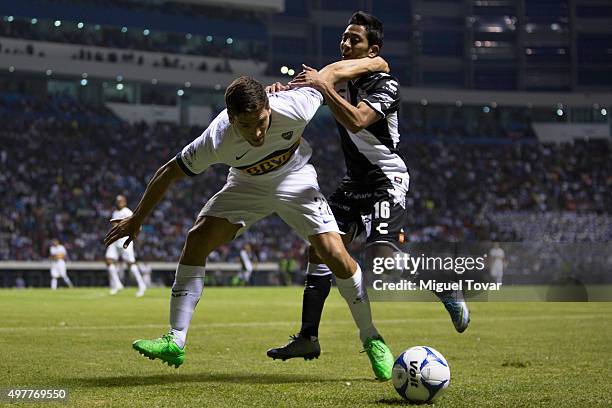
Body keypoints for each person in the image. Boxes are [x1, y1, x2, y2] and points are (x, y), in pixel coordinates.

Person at [104, 65, 397, 380]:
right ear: (231, 119)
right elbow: (169, 172)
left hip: (294, 178)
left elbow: (331, 74)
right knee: (198, 238)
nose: (257, 133)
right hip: (247, 184)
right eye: (246, 126)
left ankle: (371, 337)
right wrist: (138, 218)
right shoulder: (217, 138)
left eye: (261, 122)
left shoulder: (295, 105)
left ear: (269, 108)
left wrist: (374, 64)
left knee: (335, 254)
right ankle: (175, 339)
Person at [267, 11, 470, 362]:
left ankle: (444, 284)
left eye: (354, 40)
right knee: (320, 250)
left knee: (381, 258)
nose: (345, 44)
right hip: (353, 182)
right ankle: (308, 337)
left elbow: (359, 119)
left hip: (385, 178)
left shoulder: (386, 85)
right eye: (343, 37)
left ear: (372, 50)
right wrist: (279, 93)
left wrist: (324, 87)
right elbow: (302, 95)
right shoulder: (338, 78)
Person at [105, 195, 147, 297]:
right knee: (109, 260)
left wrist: (132, 235)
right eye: (118, 201)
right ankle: (117, 285)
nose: (119, 202)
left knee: (130, 263)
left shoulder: (127, 212)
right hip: (115, 240)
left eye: (121, 201)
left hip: (124, 239)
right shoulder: (115, 212)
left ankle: (142, 285)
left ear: (125, 202)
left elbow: (136, 223)